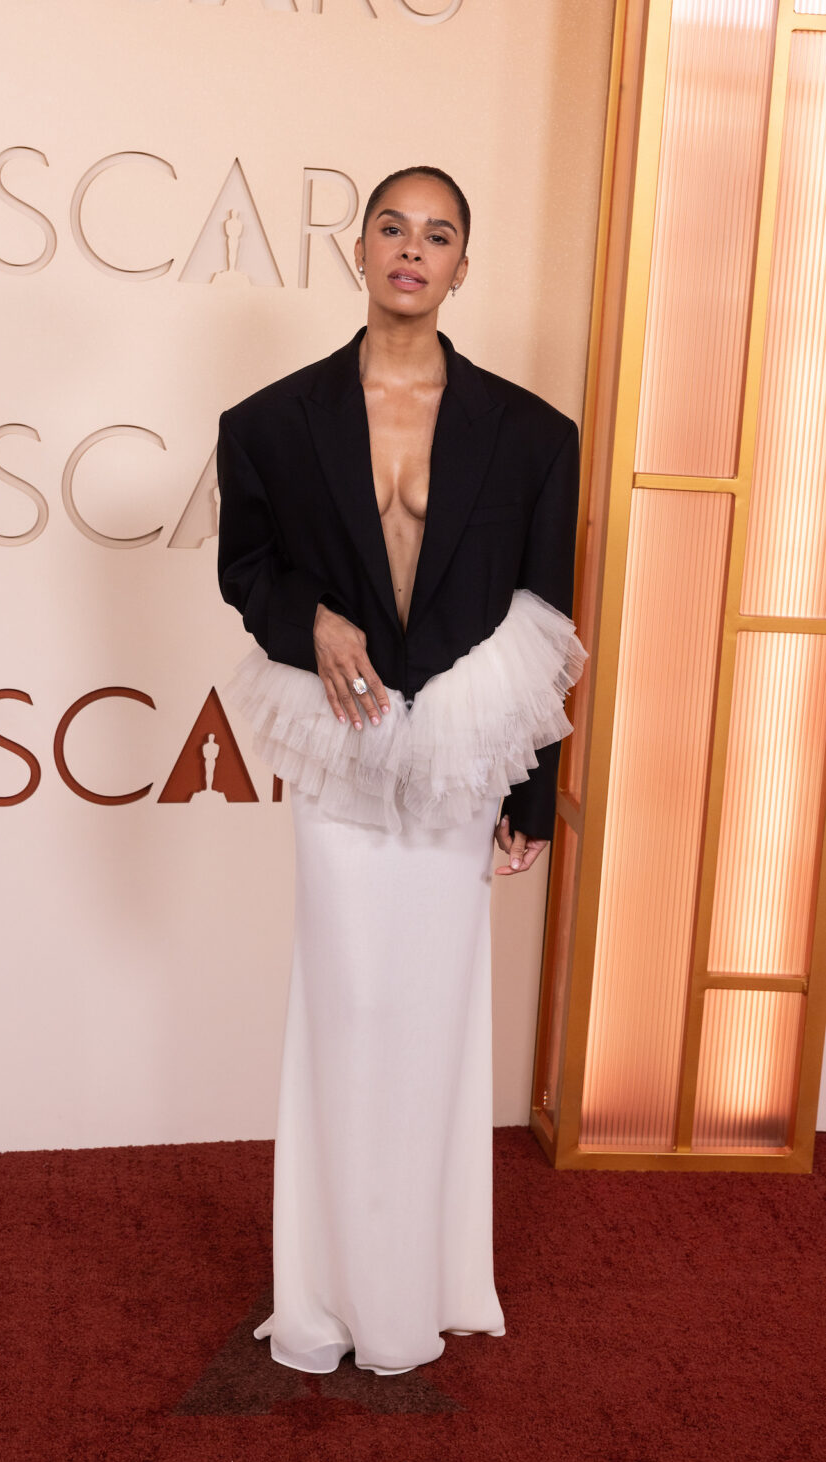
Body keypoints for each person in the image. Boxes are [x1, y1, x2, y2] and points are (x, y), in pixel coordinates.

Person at [216, 166, 587, 1376]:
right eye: (391, 227)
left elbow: (544, 619)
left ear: (461, 266)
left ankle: (413, 1288)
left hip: (463, 754)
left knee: (431, 1011)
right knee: (342, 1004)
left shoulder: (533, 435)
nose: (411, 249)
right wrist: (311, 622)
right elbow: (245, 572)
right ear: (360, 249)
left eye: (437, 234)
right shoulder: (268, 422)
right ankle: (322, 1295)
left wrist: (529, 796)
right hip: (342, 738)